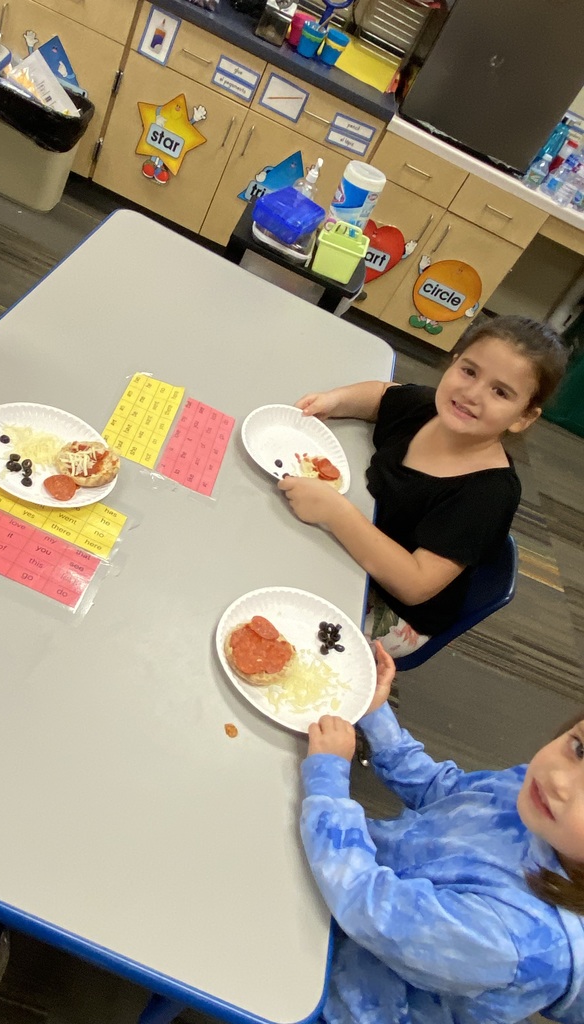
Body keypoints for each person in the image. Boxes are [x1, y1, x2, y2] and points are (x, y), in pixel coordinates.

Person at [302, 643, 584, 1024]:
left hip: (331, 990)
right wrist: (375, 714)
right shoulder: (538, 801)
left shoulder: (517, 940)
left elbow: (369, 908)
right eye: (580, 749)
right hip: (333, 871)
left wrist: (329, 781)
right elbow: (446, 791)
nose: (561, 780)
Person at [278, 317, 568, 656]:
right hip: (365, 540)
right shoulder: (430, 409)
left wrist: (337, 513)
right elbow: (382, 396)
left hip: (396, 609)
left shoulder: (488, 495)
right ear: (455, 359)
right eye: (469, 371)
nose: (471, 393)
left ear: (523, 417)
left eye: (500, 392)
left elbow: (415, 585)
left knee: (286, 615)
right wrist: (336, 400)